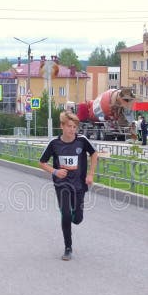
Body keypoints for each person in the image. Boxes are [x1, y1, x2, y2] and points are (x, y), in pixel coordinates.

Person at [38, 111, 98, 261]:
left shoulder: (82, 141)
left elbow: (94, 154)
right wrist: (55, 171)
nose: (72, 130)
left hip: (79, 185)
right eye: (69, 126)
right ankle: (68, 247)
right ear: (62, 126)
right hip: (62, 185)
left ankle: (73, 217)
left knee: (77, 219)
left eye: (74, 127)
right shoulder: (54, 143)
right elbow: (42, 162)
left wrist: (90, 174)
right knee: (65, 214)